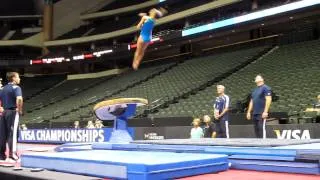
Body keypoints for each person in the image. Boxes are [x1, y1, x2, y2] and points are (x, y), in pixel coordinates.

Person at [0, 72, 23, 162]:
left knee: (2, 134)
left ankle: (1, 156)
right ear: (13, 78)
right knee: (12, 134)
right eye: (18, 77)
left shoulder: (2, 89)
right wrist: (19, 109)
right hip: (12, 112)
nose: (19, 79)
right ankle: (12, 156)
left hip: (3, 113)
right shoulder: (16, 87)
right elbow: (19, 98)